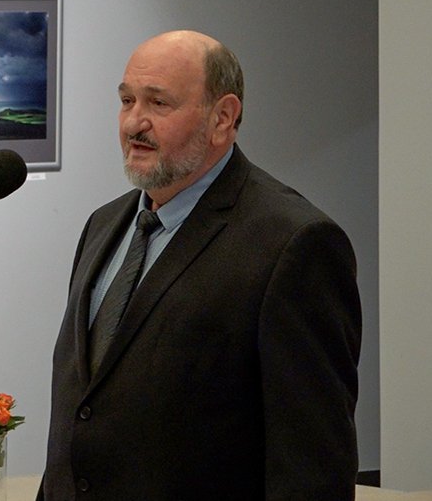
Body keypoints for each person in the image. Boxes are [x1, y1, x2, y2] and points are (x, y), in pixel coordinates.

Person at [38, 30, 361, 500]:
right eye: (127, 100)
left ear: (223, 118)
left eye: (158, 104)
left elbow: (313, 468)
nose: (134, 123)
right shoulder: (105, 225)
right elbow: (82, 411)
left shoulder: (293, 245)